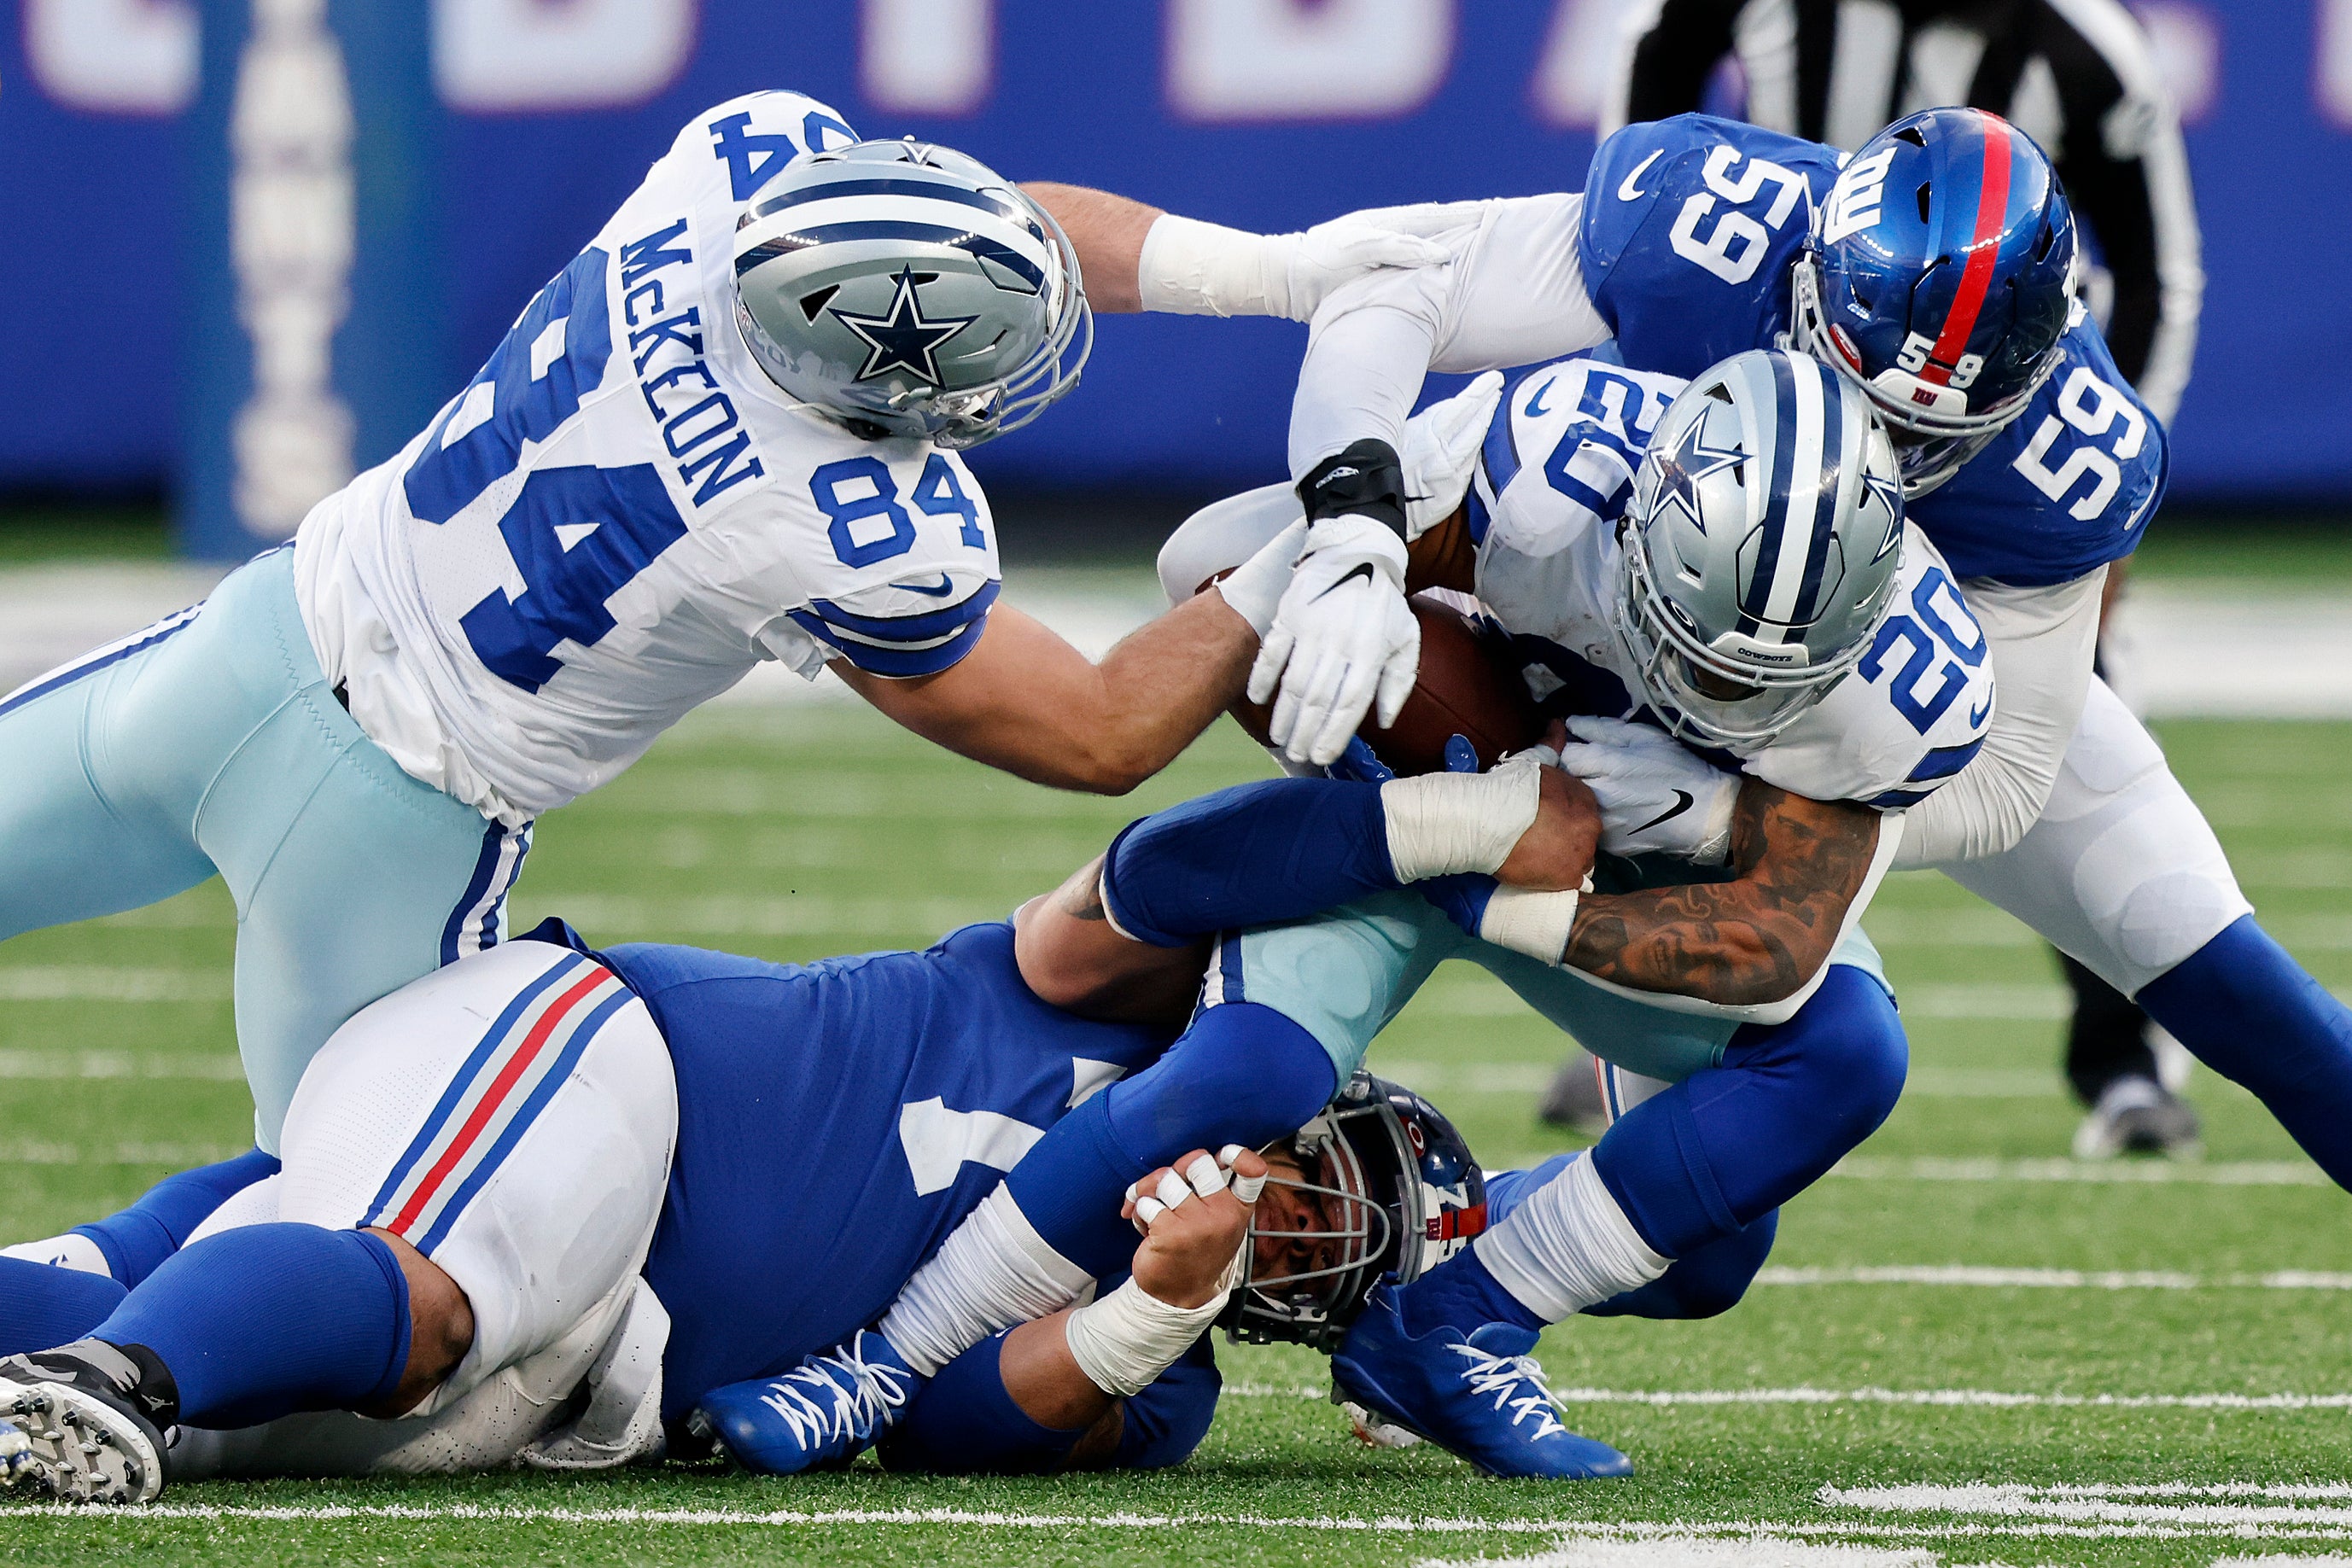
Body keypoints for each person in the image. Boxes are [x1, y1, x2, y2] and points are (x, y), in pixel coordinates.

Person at [0, 85, 1398, 1262]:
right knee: (335, 1243)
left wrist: (1270, 276)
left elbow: (964, 228)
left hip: (250, 646)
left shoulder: (742, 158)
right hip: (392, 826)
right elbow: (1100, 732)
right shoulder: (840, 522)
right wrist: (1312, 536)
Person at [1026, 107, 2352, 1205]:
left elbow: (2006, 781)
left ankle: (1442, 1219)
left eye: (1922, 441)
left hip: (1848, 699)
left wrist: (1746, 807)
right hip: (1602, 593)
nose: (1876, 449)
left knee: (2229, 981)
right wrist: (1360, 531)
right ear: (1807, 287)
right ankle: (1447, 834)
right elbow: (1393, 278)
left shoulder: (2075, 462)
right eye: (1855, 387)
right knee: (1221, 570)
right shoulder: (1709, 225)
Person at [723, 346, 1972, 1480]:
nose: (1700, 687)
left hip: (1585, 880)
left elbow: (1772, 943)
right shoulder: (1540, 467)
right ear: (1641, 520)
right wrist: (1354, 582)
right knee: (1245, 1068)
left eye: (1749, 683)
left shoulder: (1914, 683)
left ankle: (1439, 1324)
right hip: (1433, 796)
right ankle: (881, 1360)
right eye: (1688, 644)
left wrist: (1702, 825)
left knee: (1811, 1108)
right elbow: (1209, 578)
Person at [1598, 0, 2203, 1161]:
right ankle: (1630, 1008)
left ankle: (2122, 1054)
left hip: (1985, 456)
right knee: (1650, 665)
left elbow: (2161, 281)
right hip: (1780, 421)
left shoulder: (2084, 49)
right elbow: (1651, 89)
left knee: (2066, 735)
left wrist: (2108, 527)